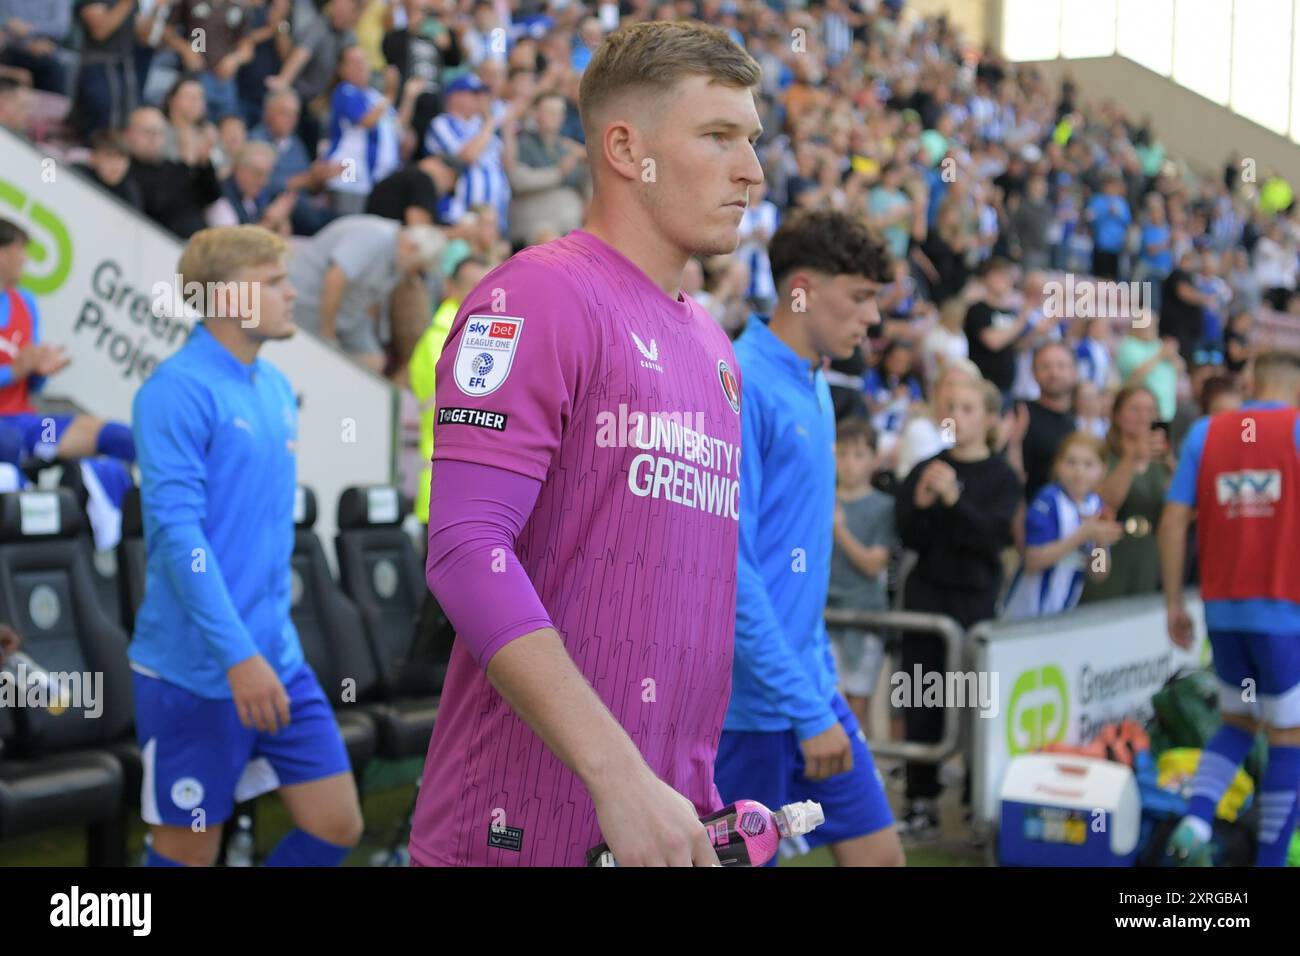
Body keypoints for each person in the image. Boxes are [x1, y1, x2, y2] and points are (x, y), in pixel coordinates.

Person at [410, 20, 760, 868]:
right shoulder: (537, 296)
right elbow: (463, 548)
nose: (752, 171)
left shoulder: (715, 349)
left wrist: (681, 787)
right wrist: (621, 775)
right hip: (514, 832)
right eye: (718, 137)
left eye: (752, 140)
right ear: (623, 147)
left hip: (658, 827)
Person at [130, 225, 362, 867]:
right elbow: (179, 540)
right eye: (273, 283)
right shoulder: (175, 391)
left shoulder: (276, 388)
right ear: (227, 298)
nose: (293, 294)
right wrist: (237, 658)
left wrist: (261, 653)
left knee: (337, 824)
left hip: (276, 660)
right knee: (185, 855)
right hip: (198, 673)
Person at [717, 209, 902, 868]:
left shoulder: (818, 383)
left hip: (808, 688)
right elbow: (733, 575)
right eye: (858, 298)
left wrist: (814, 691)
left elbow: (797, 567)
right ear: (801, 289)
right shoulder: (738, 381)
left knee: (880, 858)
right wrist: (804, 706)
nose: (872, 318)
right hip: (748, 711)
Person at [1159, 350, 1300, 867]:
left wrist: (1174, 601)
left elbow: (1173, 522)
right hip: (1286, 611)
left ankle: (1196, 823)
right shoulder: (1297, 430)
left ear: (1252, 383)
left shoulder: (1206, 433)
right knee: (1289, 735)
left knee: (1239, 722)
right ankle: (1270, 861)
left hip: (1223, 610)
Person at [895, 376, 1021, 839]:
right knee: (922, 700)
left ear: (989, 419)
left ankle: (975, 801)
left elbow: (994, 538)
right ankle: (920, 800)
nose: (958, 417)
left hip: (974, 601)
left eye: (969, 408)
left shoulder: (1002, 477)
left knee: (973, 707)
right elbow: (908, 535)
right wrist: (924, 505)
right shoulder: (927, 467)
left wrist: (956, 500)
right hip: (927, 597)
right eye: (951, 407)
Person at [0, 219, 137, 472]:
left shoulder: (26, 303)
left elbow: (32, 384)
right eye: (19, 250)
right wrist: (13, 371)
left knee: (117, 437)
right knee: (9, 443)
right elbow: (16, 371)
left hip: (27, 425)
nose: (25, 260)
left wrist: (39, 372)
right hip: (7, 435)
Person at [286, 215, 444, 372]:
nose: (414, 274)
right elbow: (335, 278)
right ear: (411, 248)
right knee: (322, 355)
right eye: (417, 268)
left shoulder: (398, 261)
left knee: (373, 360)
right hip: (309, 301)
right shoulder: (374, 237)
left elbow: (372, 303)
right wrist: (328, 333)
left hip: (348, 316)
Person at [407, 255, 491, 523]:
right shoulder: (440, 342)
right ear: (451, 288)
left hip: (469, 494)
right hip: (445, 496)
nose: (488, 296)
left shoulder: (478, 335)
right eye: (474, 286)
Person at [1002, 432, 1121, 620]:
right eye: (1071, 462)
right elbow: (1033, 560)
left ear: (1102, 469)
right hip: (1027, 613)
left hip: (1064, 612)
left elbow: (1098, 574)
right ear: (1058, 465)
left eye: (1088, 464)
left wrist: (1100, 544)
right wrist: (1082, 534)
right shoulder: (1048, 501)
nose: (1079, 471)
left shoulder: (1096, 506)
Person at [828, 418, 898, 736]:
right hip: (824, 614)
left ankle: (858, 776)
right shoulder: (820, 497)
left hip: (863, 614)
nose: (849, 463)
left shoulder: (884, 506)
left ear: (873, 459)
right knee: (823, 698)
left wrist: (839, 530)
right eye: (842, 453)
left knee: (857, 703)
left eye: (858, 454)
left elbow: (874, 564)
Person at [1080, 386, 1172, 604]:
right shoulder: (1101, 453)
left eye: (1151, 411)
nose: (1144, 417)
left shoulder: (1161, 461)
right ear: (1117, 414)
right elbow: (1106, 503)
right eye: (1135, 410)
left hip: (1147, 553)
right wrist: (1132, 458)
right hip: (1109, 554)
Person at [124, 106, 223, 240]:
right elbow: (157, 203)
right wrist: (186, 164)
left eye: (159, 133)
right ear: (129, 133)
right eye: (148, 132)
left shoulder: (171, 167)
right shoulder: (124, 169)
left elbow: (210, 196)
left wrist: (203, 162)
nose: (154, 139)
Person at [1010, 341, 1079, 503]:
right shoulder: (1019, 413)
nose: (1054, 372)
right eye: (1046, 366)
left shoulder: (1075, 422)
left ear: (1074, 372)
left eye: (1061, 366)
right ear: (1033, 373)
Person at [964, 257, 1029, 402]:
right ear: (985, 279)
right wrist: (1022, 320)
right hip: (983, 383)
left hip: (1007, 387)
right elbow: (993, 342)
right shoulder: (978, 309)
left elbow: (1017, 347)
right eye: (998, 275)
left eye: (1006, 275)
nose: (1003, 280)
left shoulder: (1011, 313)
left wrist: (1037, 331)